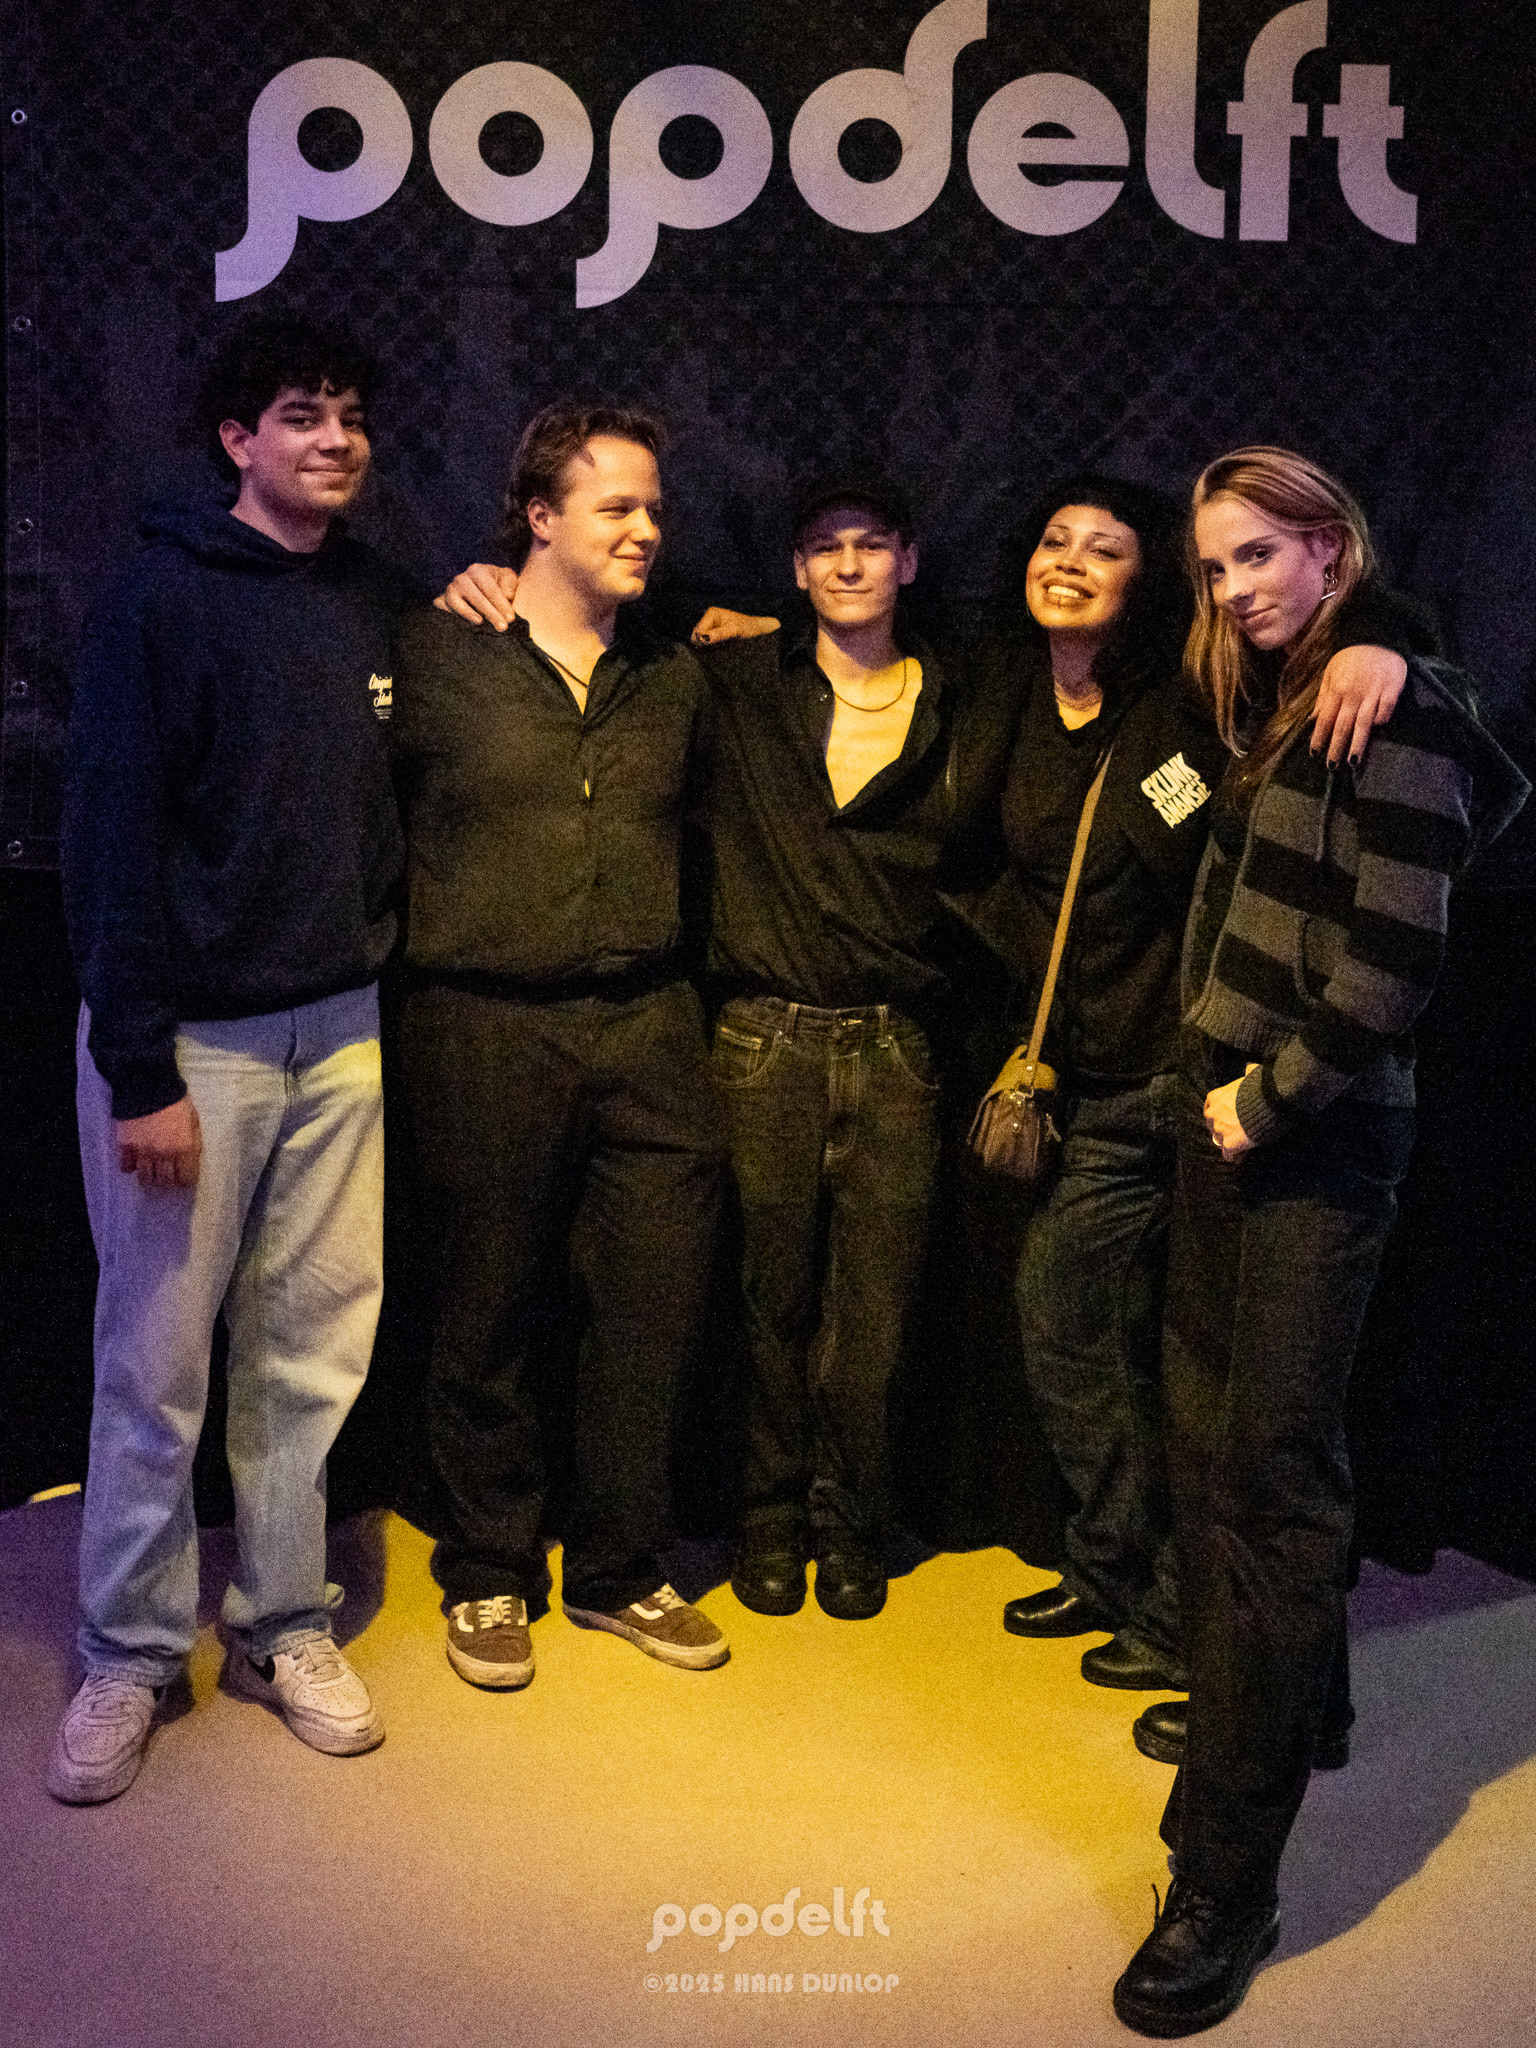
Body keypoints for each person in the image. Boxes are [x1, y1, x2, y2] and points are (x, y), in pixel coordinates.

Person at [439, 474, 1019, 1619]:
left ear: (909, 558)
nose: (847, 563)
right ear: (795, 568)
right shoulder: (741, 677)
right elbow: (607, 608)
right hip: (760, 1036)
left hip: (899, 1044)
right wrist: (482, 577)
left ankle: (849, 1524)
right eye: (824, 547)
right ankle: (765, 1521)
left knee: (875, 1317)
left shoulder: (965, 689)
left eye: (870, 544)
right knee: (760, 1303)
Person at [1111, 447, 1528, 2038]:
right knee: (1225, 1454)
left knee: (1268, 1492)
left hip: (1308, 1140)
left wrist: (1264, 1106)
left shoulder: (1396, 706)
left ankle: (1224, 1876)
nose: (1236, 588)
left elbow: (1392, 968)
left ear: (1331, 546)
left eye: (1262, 555)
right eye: (1215, 565)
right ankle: (1288, 1712)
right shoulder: (1290, 694)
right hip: (1229, 1118)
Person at [52, 314, 408, 1802]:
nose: (334, 439)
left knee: (309, 1356)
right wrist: (140, 1068)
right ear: (236, 439)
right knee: (155, 1368)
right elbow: (106, 836)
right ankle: (129, 1652)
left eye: (350, 416)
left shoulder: (371, 596)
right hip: (190, 1047)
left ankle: (280, 1623)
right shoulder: (158, 596)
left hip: (341, 1032)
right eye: (301, 415)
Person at [986, 480, 1411, 1697]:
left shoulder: (1190, 708)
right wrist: (740, 621)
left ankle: (1190, 1621)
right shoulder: (1005, 692)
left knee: (1214, 1384)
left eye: (1105, 548)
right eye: (1054, 539)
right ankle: (1121, 1567)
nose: (1071, 560)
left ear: (1146, 586)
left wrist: (1387, 635)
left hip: (1192, 1081)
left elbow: (1209, 855)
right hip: (1082, 1083)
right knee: (1081, 1324)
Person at [391, 402, 729, 1690]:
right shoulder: (435, 652)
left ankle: (620, 1565)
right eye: (617, 507)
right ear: (539, 517)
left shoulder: (676, 673)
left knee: (651, 1308)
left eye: (655, 509)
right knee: (485, 1304)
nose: (647, 529)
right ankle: (488, 1565)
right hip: (483, 1026)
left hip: (650, 1024)